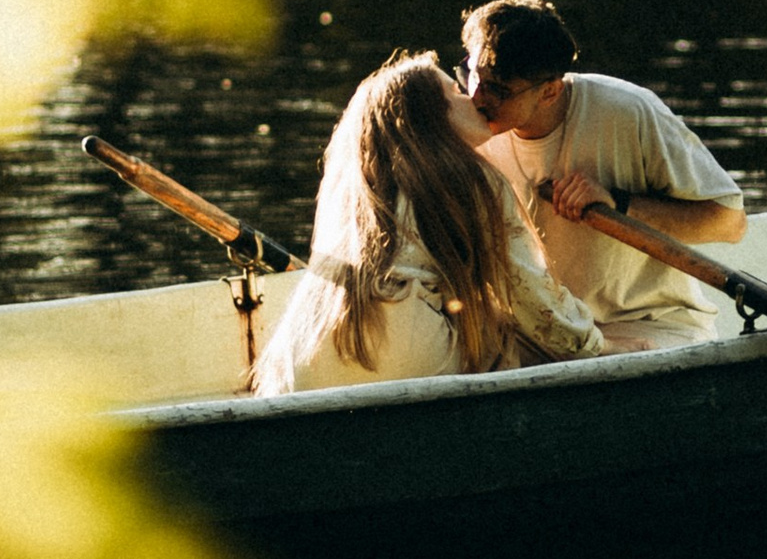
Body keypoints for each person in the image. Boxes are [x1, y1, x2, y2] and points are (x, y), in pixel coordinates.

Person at [251, 48, 602, 393]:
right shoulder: (470, 177)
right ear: (430, 114)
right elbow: (531, 294)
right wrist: (593, 345)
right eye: (455, 91)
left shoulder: (365, 184)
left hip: (302, 363)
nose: (475, 98)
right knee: (506, 341)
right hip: (405, 353)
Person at [460, 0, 747, 354]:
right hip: (539, 328)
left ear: (550, 92)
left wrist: (619, 203)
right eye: (471, 74)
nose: (475, 98)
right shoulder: (469, 125)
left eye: (498, 90)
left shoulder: (628, 111)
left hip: (649, 324)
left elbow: (729, 223)